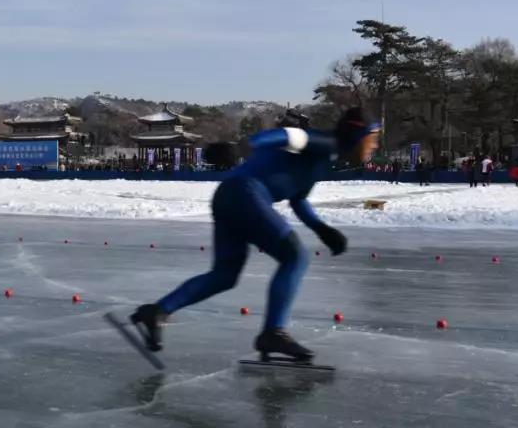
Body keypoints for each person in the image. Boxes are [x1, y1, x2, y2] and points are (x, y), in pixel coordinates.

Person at [129, 107, 380, 361]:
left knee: (224, 276)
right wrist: (243, 147)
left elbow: (298, 198)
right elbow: (282, 135)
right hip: (246, 193)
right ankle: (273, 332)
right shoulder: (323, 142)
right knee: (295, 256)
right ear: (357, 134)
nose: (375, 145)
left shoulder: (326, 159)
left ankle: (158, 311)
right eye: (373, 138)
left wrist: (322, 229)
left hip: (228, 195)